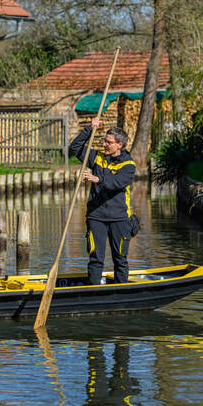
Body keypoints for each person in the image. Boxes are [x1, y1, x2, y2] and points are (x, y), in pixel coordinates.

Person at [69, 117, 137, 285]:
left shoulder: (129, 165)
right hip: (96, 216)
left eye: (108, 142)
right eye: (104, 141)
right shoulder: (97, 157)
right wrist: (89, 129)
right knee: (95, 258)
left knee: (120, 258)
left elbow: (116, 184)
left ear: (119, 145)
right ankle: (93, 290)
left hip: (119, 218)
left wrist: (96, 179)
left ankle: (121, 290)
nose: (104, 144)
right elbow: (74, 148)